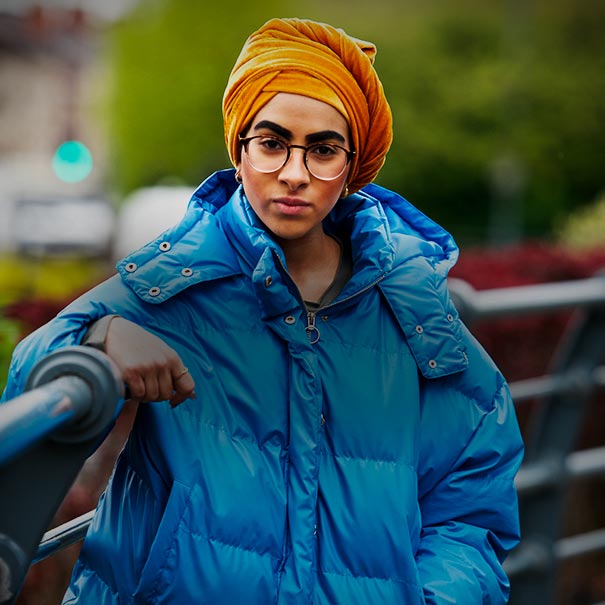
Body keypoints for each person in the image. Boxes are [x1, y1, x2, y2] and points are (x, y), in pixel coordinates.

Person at [2, 17, 524, 605]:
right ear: (240, 150)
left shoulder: (414, 310)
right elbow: (27, 383)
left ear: (353, 165)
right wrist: (99, 339)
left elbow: (473, 488)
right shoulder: (171, 284)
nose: (295, 174)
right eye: (273, 143)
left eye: (323, 150)